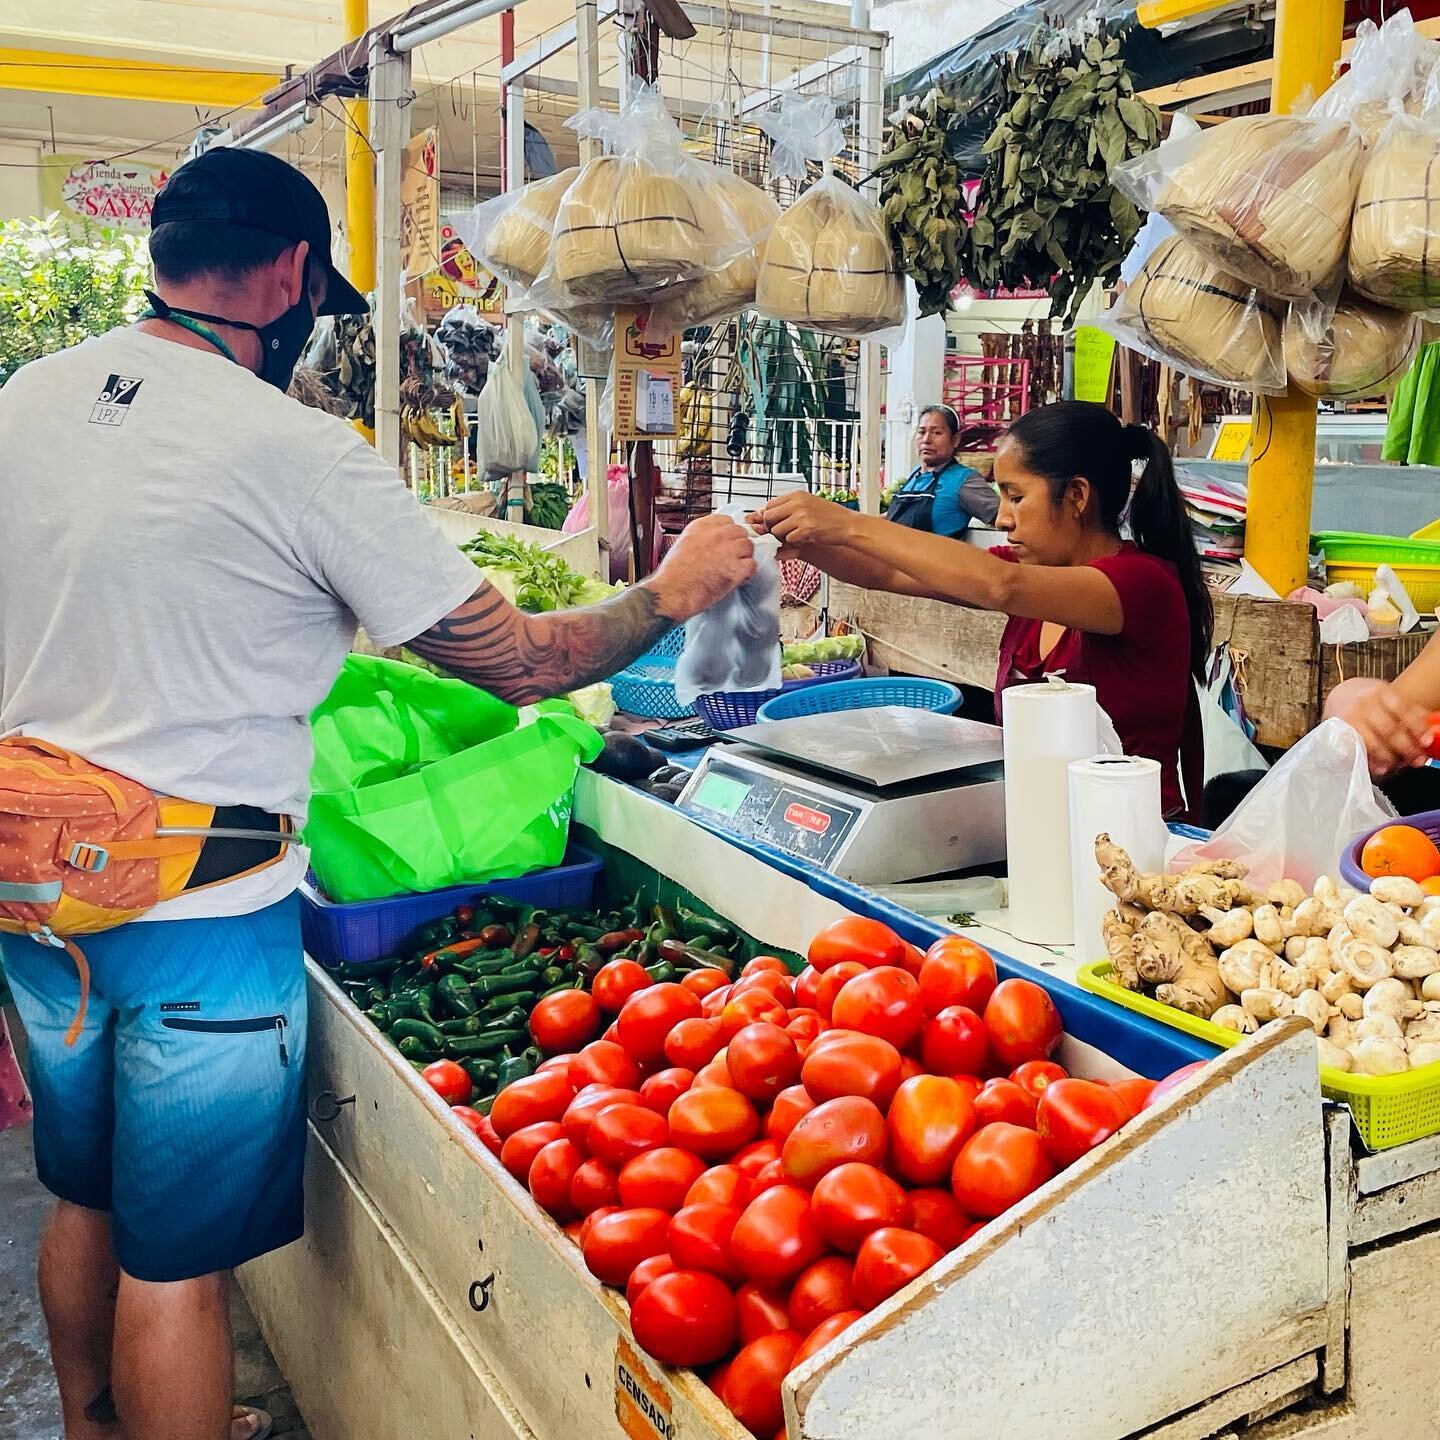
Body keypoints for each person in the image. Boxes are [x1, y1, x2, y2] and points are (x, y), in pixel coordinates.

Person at [0, 147, 753, 1440]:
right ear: (289, 273)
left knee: (86, 1196)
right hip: (204, 913)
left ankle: (84, 1425)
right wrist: (672, 595)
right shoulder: (293, 450)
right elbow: (519, 663)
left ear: (164, 252)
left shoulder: (26, 399)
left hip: (33, 884)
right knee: (176, 1270)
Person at [757, 400, 1214, 818]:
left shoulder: (1140, 584)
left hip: (1136, 835)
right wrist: (799, 543)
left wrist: (851, 524)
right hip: (1042, 825)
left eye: (1016, 495)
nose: (1001, 518)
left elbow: (1000, 587)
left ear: (1076, 495)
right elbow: (885, 573)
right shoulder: (1032, 577)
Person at [886, 403, 999, 535]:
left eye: (936, 433)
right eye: (922, 432)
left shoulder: (964, 481)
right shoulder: (915, 474)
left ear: (955, 439)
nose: (926, 440)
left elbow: (1003, 517)